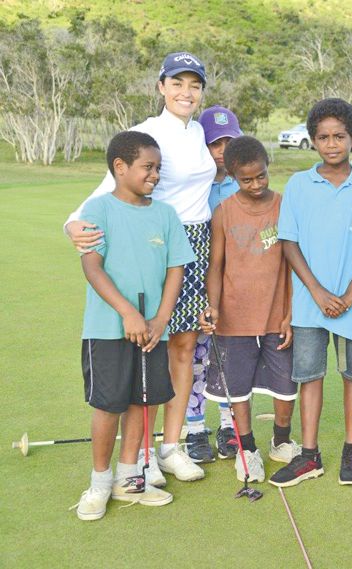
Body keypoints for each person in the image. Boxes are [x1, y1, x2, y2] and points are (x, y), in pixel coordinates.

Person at [65, 52, 216, 485]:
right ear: (161, 86)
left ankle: (171, 446)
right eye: (177, 84)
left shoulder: (199, 132)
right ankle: (143, 453)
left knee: (185, 347)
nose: (186, 93)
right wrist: (72, 223)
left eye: (194, 85)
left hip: (197, 244)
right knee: (156, 348)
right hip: (160, 243)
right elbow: (108, 188)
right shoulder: (148, 133)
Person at [74, 131, 195, 520]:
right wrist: (127, 312)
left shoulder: (165, 214)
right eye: (148, 167)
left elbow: (176, 268)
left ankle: (129, 477)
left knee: (144, 402)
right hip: (107, 328)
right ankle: (100, 482)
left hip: (153, 330)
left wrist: (161, 319)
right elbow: (92, 267)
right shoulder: (98, 209)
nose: (155, 175)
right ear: (120, 167)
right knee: (108, 404)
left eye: (158, 168)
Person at [270, 98, 352, 488]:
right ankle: (309, 454)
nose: (331, 144)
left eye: (339, 136)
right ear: (313, 140)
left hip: (351, 304)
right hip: (309, 305)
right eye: (323, 137)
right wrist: (317, 292)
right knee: (310, 378)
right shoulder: (299, 185)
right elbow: (289, 243)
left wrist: (350, 295)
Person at [199, 135, 300, 483]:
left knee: (286, 387)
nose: (256, 184)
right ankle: (248, 450)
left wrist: (290, 313)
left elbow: (293, 264)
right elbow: (215, 266)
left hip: (277, 316)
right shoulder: (223, 212)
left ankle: (281, 441)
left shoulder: (285, 206)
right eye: (246, 180)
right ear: (232, 176)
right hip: (233, 318)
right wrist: (213, 306)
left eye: (261, 176)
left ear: (268, 167)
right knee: (238, 389)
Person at [184, 105, 243, 463]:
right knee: (196, 358)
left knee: (228, 358)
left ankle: (228, 425)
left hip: (233, 286)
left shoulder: (244, 183)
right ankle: (194, 428)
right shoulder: (193, 186)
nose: (222, 151)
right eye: (214, 143)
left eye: (228, 143)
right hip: (194, 285)